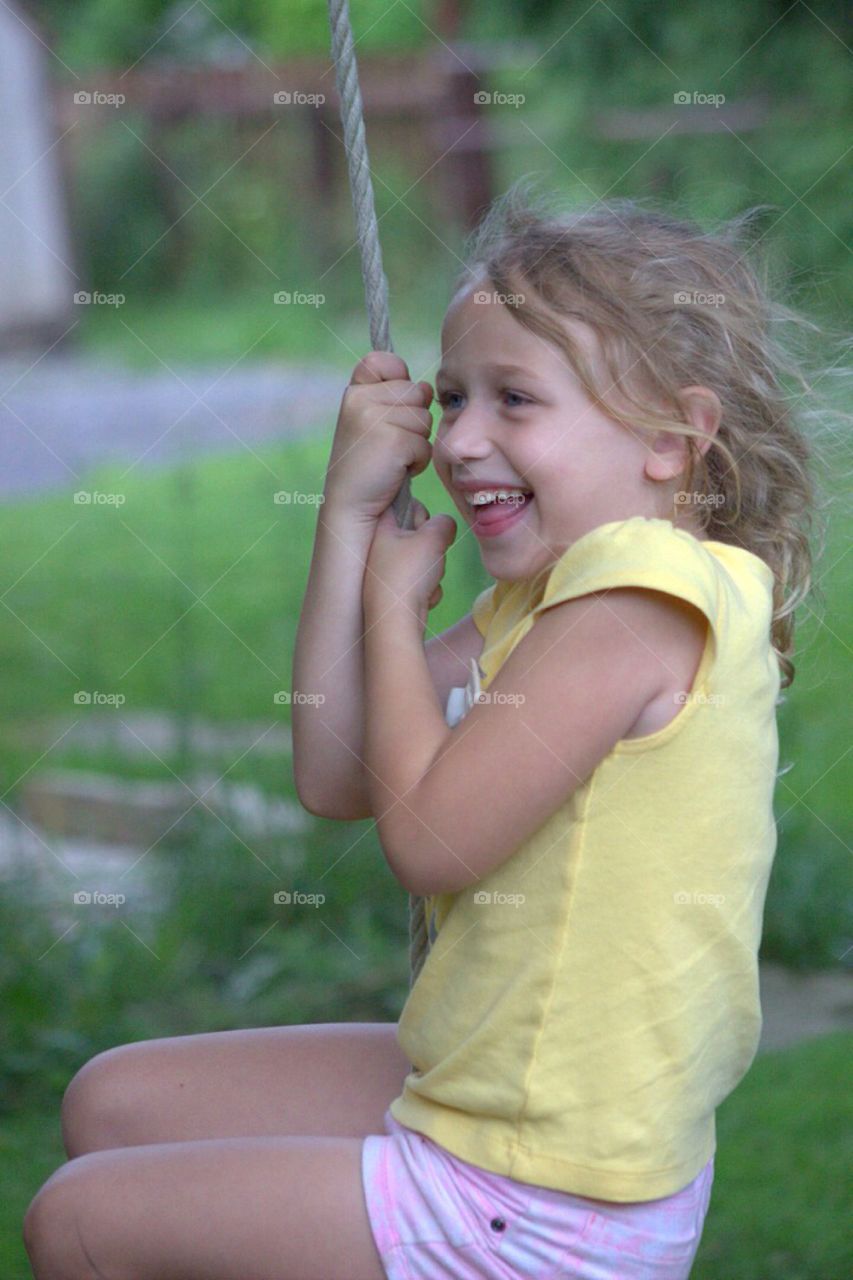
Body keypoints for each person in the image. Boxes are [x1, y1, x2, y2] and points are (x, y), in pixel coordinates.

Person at [23, 182, 827, 1280]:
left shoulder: (639, 600)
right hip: (497, 1101)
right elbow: (334, 765)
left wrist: (396, 614)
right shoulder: (551, 598)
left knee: (82, 1222)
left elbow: (429, 839)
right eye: (454, 398)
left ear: (672, 438)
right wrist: (347, 520)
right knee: (111, 1100)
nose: (462, 440)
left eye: (515, 399)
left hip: (537, 1192)